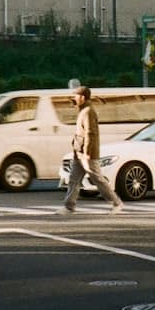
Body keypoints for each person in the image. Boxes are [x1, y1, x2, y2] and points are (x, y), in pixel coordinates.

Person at [60, 86, 125, 214]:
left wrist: (87, 153)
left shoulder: (88, 111)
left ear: (83, 97)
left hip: (86, 154)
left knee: (97, 179)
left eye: (76, 96)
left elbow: (90, 133)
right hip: (79, 152)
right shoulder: (83, 110)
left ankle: (116, 203)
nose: (74, 98)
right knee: (74, 179)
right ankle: (69, 206)